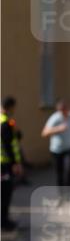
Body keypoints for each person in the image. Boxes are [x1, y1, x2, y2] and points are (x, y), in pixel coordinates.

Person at [41, 99, 70, 199]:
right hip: (57, 150)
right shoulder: (55, 118)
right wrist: (58, 129)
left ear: (68, 108)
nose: (63, 112)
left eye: (64, 109)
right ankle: (61, 195)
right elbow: (44, 133)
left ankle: (68, 194)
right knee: (60, 173)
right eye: (60, 110)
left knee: (69, 170)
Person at [1, 96, 22, 231]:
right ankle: (4, 222)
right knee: (5, 192)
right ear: (10, 107)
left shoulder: (6, 122)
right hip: (5, 163)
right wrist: (16, 163)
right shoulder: (6, 123)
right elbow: (9, 144)